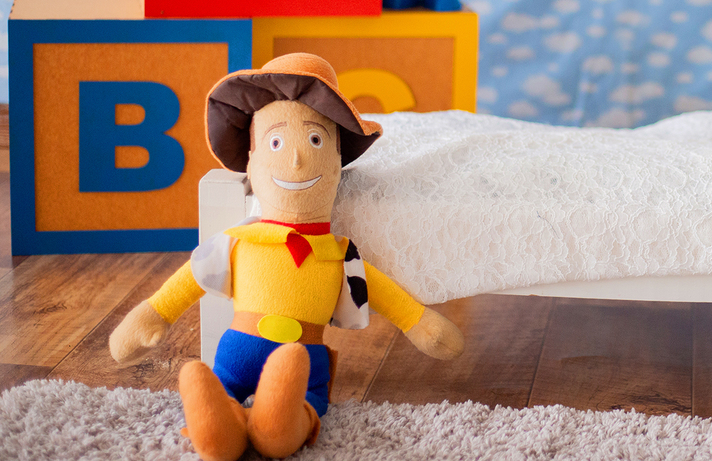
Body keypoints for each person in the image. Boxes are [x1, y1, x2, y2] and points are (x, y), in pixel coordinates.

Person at [109, 53, 464, 461]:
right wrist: (152, 316)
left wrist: (421, 325)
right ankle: (217, 415)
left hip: (304, 365)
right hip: (236, 357)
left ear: (336, 160)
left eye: (315, 140)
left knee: (292, 383)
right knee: (225, 386)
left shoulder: (338, 255)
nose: (295, 160)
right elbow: (183, 284)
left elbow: (388, 298)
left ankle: (281, 421)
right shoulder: (239, 241)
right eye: (276, 143)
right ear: (253, 160)